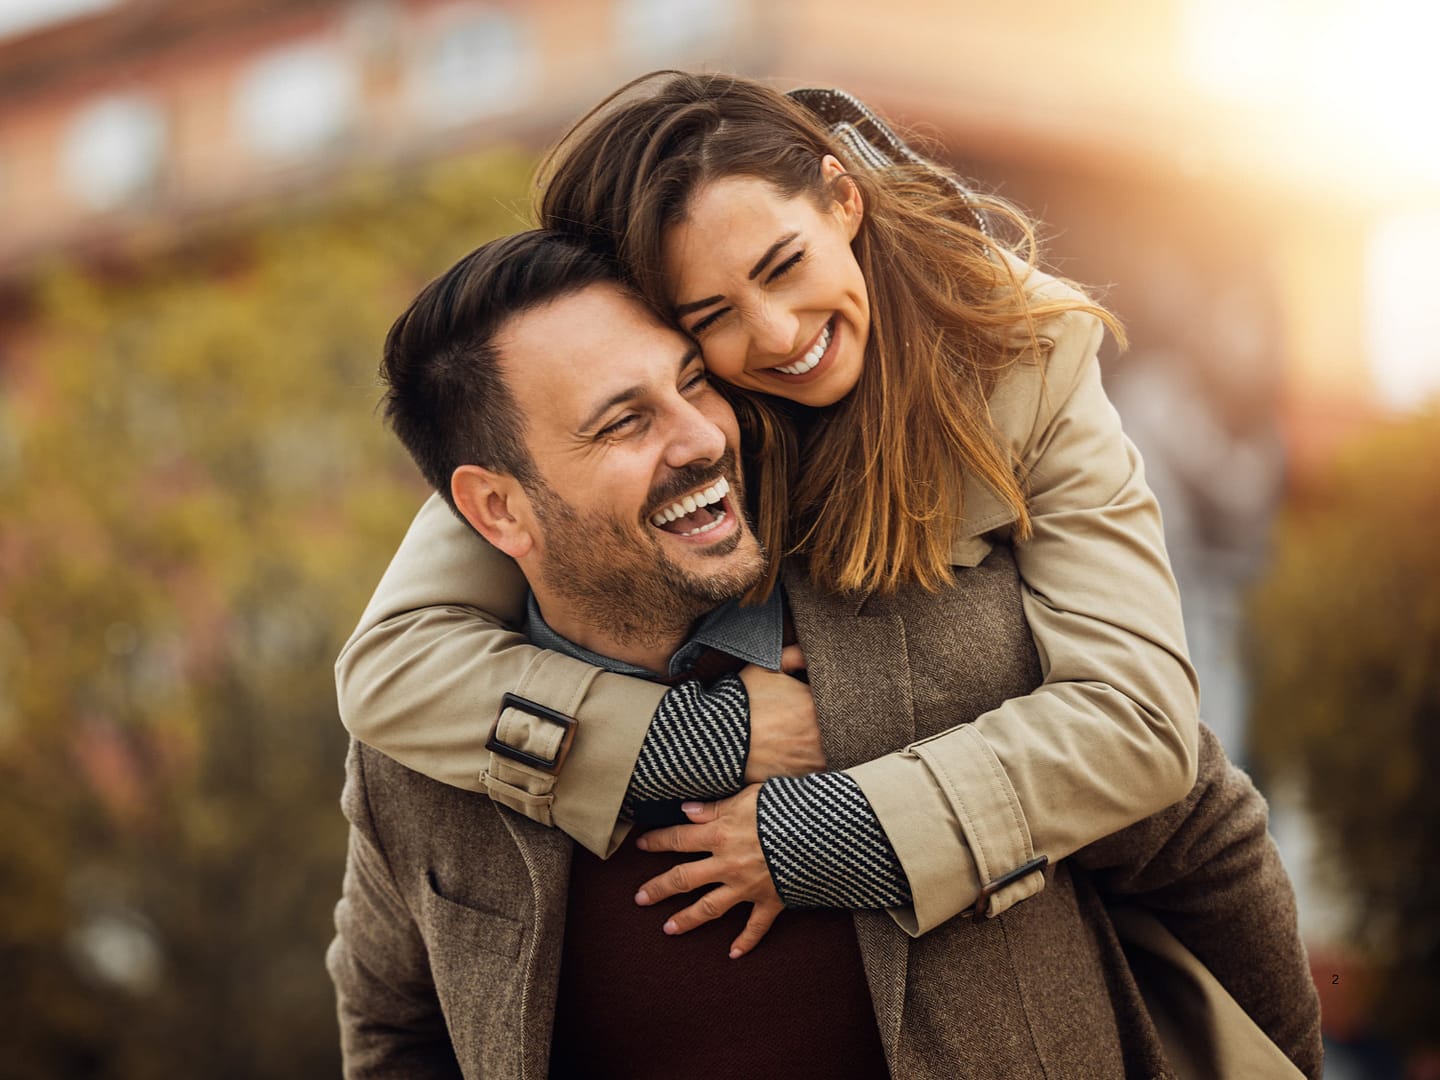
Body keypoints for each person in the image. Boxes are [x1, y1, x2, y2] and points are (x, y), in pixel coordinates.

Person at [328, 229, 1320, 1078]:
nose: (704, 437)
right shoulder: (420, 766)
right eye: (624, 422)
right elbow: (394, 1028)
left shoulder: (946, 625)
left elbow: (1208, 850)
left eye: (693, 384)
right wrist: (697, 741)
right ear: (497, 509)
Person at [335, 71, 1199, 951]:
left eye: (783, 266)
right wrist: (705, 736)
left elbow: (1143, 723)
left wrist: (826, 831)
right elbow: (396, 671)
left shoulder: (1021, 353)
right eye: (711, 316)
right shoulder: (636, 419)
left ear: (842, 199)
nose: (780, 335)